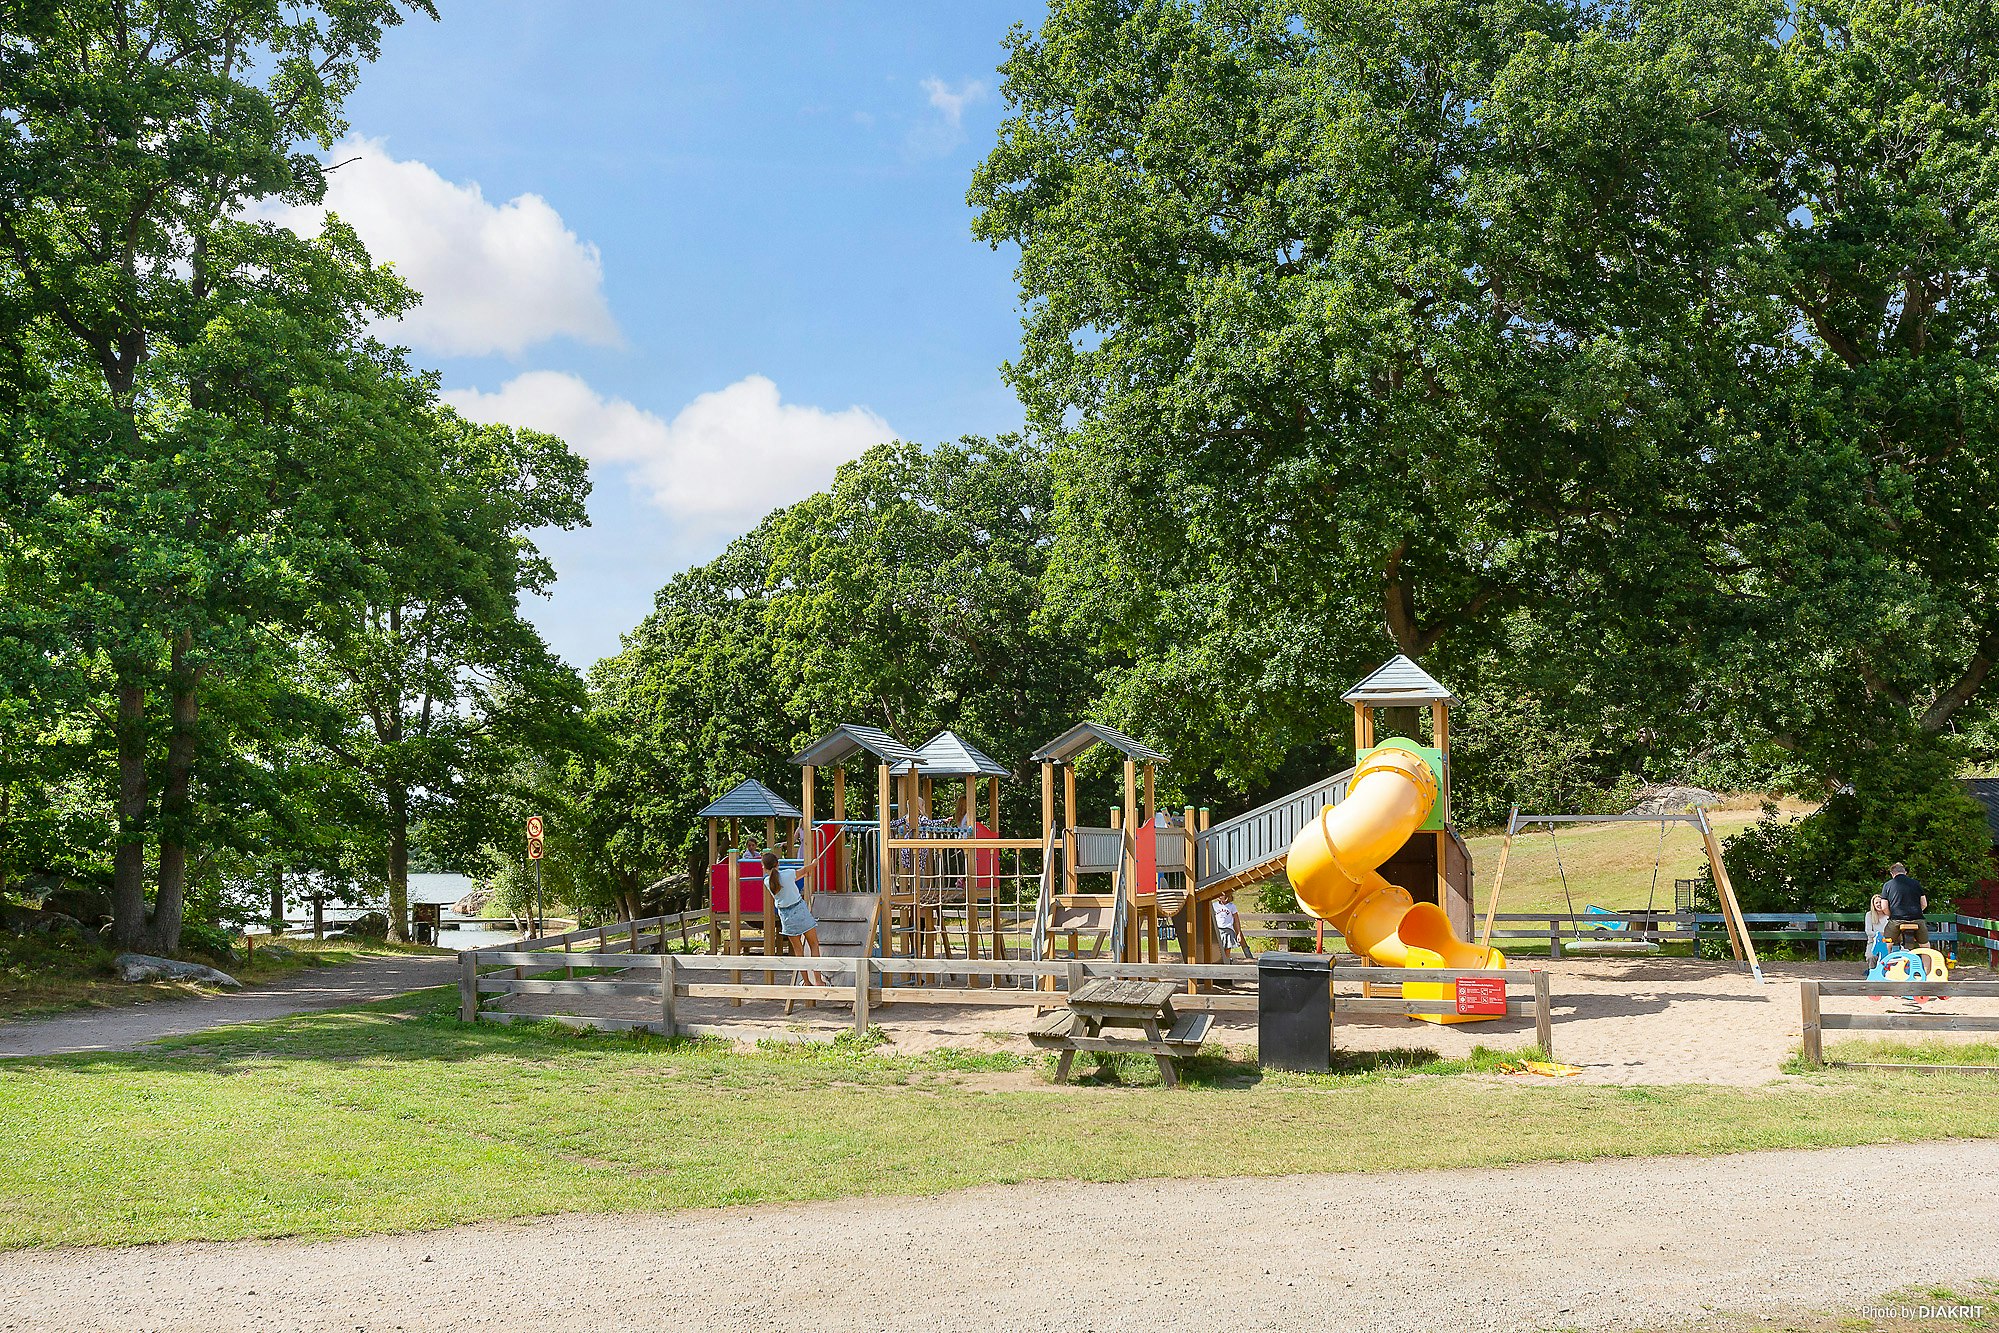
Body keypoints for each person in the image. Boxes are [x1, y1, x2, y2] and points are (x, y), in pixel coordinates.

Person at [762, 849, 828, 987]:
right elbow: (804, 870)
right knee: (814, 944)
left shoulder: (768, 882)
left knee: (798, 951)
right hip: (799, 911)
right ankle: (818, 980)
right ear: (778, 863)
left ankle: (807, 982)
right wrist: (814, 864)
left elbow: (787, 880)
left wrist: (804, 872)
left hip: (786, 916)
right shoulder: (788, 873)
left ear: (764, 867)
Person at [1881, 861, 1929, 950]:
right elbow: (1924, 904)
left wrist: (1891, 915)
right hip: (1917, 919)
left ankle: (1885, 958)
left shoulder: (1887, 885)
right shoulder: (1916, 883)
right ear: (1905, 872)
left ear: (1892, 873)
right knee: (1925, 945)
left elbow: (1884, 907)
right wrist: (1917, 912)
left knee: (1886, 944)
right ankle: (1926, 959)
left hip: (1897, 919)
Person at [1213, 889, 1254, 961]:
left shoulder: (1231, 906)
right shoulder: (1214, 905)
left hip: (1228, 930)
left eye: (1222, 895)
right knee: (1217, 949)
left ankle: (1227, 961)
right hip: (1218, 929)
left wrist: (1238, 933)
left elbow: (1236, 921)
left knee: (1227, 949)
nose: (1220, 896)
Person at [1863, 894, 1891, 970]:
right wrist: (1880, 934)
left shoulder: (1889, 915)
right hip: (1873, 941)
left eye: (1880, 902)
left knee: (1889, 956)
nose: (1879, 904)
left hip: (1888, 942)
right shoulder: (1869, 915)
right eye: (1876, 903)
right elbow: (1868, 932)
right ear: (1873, 905)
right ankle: (1872, 971)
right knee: (1871, 956)